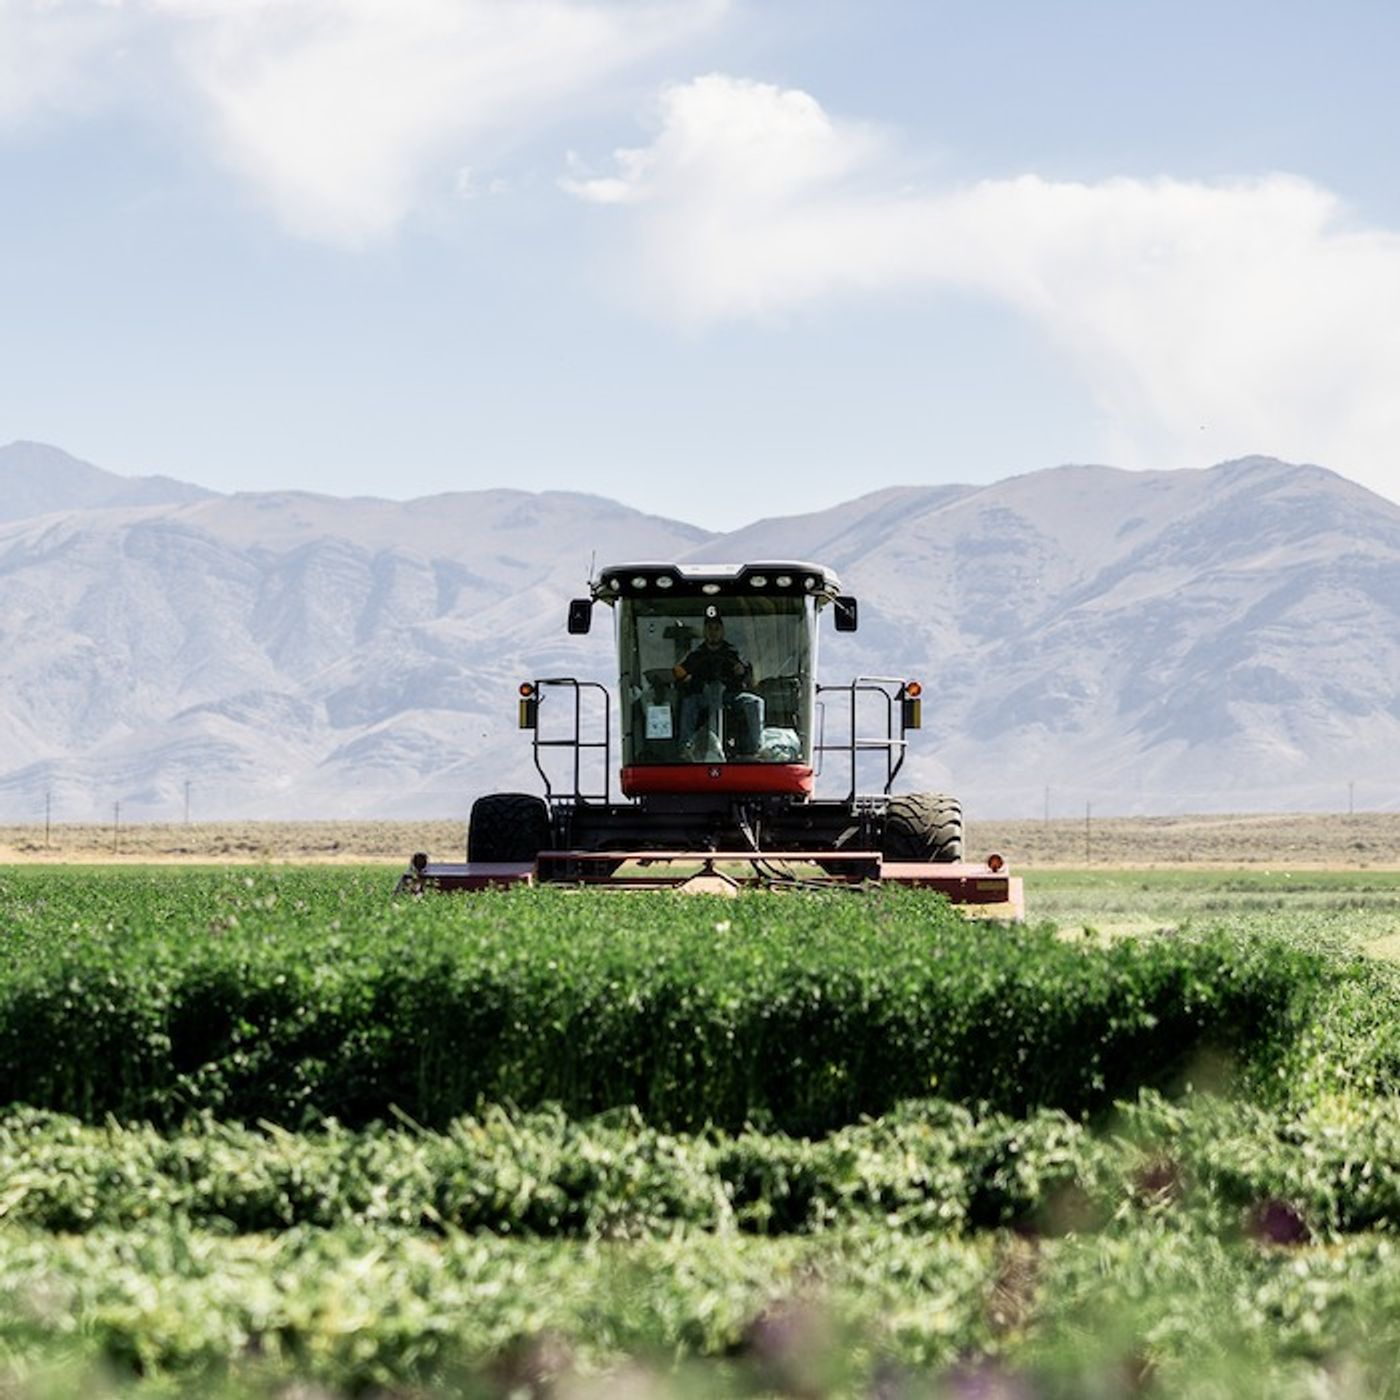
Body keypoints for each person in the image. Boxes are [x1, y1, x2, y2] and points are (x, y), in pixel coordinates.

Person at [673, 613, 763, 757]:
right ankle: (686, 748)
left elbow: (748, 673)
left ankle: (756, 749)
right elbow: (680, 672)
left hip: (729, 696)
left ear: (722, 631)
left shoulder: (734, 653)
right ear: (704, 631)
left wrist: (742, 671)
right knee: (688, 703)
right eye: (710, 628)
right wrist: (685, 677)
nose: (713, 632)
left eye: (716, 628)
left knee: (754, 702)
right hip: (703, 697)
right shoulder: (696, 655)